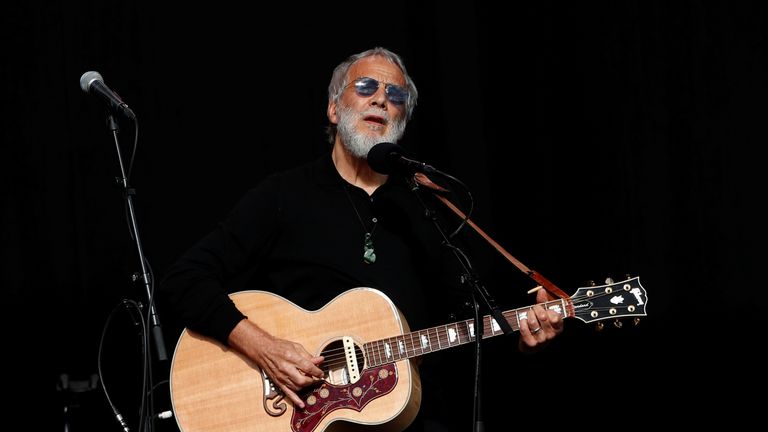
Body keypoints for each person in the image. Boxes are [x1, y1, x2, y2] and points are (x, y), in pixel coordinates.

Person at [160, 47, 564, 432]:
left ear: (402, 119)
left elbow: (465, 337)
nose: (381, 100)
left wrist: (524, 338)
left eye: (396, 95)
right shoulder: (283, 196)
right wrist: (263, 347)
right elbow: (183, 280)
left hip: (414, 418)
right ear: (334, 109)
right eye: (366, 87)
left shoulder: (435, 206)